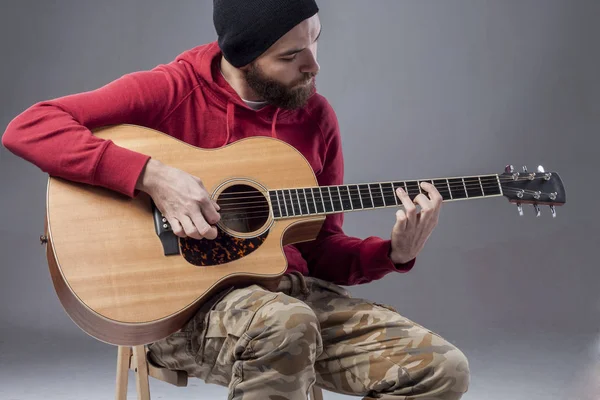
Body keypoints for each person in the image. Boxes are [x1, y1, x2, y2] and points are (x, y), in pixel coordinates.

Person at [2, 1, 470, 399]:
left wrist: (392, 253)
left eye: (315, 41)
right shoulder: (173, 91)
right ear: (244, 58)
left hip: (290, 297)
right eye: (292, 55)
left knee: (442, 369)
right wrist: (151, 176)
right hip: (184, 310)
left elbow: (321, 248)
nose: (313, 65)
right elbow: (30, 126)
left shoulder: (315, 117)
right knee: (285, 325)